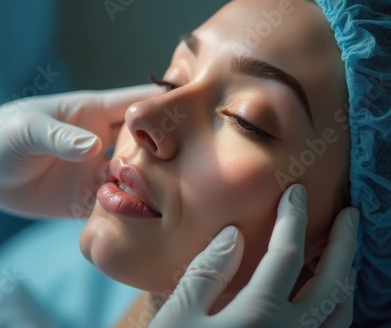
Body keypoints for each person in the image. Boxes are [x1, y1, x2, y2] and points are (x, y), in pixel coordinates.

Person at [79, 0, 390, 327]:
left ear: (328, 248)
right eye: (171, 81)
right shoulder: (47, 270)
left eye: (245, 120)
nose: (139, 114)